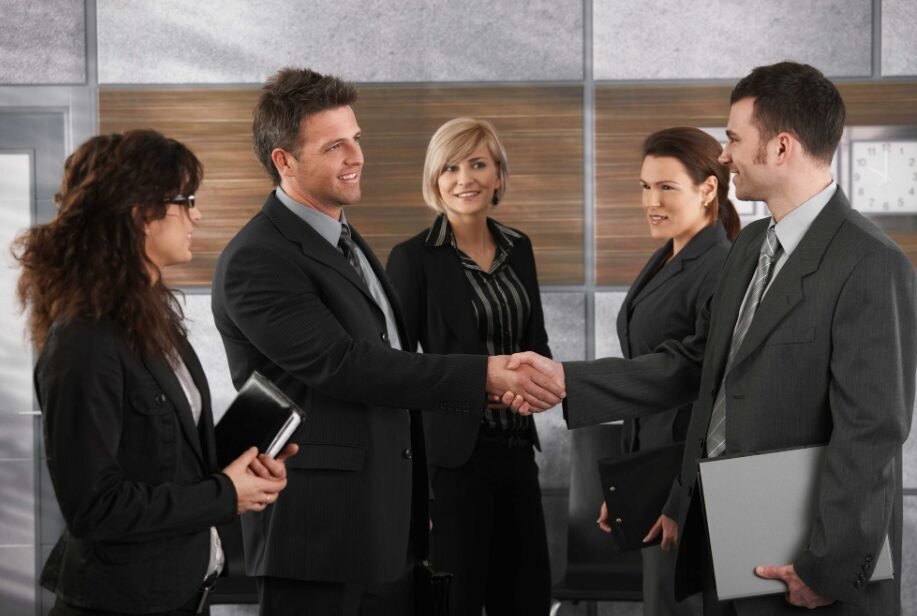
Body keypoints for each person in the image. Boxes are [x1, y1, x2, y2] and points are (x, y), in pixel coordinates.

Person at [508, 61, 917, 615]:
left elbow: (872, 432)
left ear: (780, 147)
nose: (722, 155)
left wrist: (830, 567)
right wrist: (567, 380)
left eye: (732, 138)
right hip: (727, 541)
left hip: (807, 568)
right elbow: (700, 369)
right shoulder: (750, 247)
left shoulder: (870, 262)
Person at [210, 68, 563, 616]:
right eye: (335, 146)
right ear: (285, 161)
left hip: (385, 527)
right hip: (318, 536)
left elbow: (395, 366)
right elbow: (347, 365)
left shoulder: (345, 241)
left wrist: (416, 494)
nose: (356, 156)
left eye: (357, 139)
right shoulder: (259, 257)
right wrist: (484, 376)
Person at [16, 130, 295, 616]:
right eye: (185, 201)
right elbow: (93, 507)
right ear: (139, 213)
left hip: (185, 592)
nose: (197, 215)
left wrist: (239, 468)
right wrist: (225, 494)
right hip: (121, 603)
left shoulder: (151, 317)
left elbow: (165, 457)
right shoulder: (84, 341)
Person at [386, 117, 553, 615]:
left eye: (478, 164)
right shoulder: (413, 259)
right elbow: (396, 371)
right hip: (452, 463)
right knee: (455, 602)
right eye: (451, 168)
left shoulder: (518, 248)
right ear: (435, 180)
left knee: (526, 598)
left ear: (499, 175)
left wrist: (533, 386)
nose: (465, 179)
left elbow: (536, 343)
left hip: (518, 450)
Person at [593, 127, 740, 616]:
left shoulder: (719, 266)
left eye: (666, 187)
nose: (650, 201)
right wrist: (627, 487)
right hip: (650, 474)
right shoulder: (669, 255)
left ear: (708, 189)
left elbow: (713, 395)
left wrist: (682, 499)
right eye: (644, 186)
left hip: (684, 483)